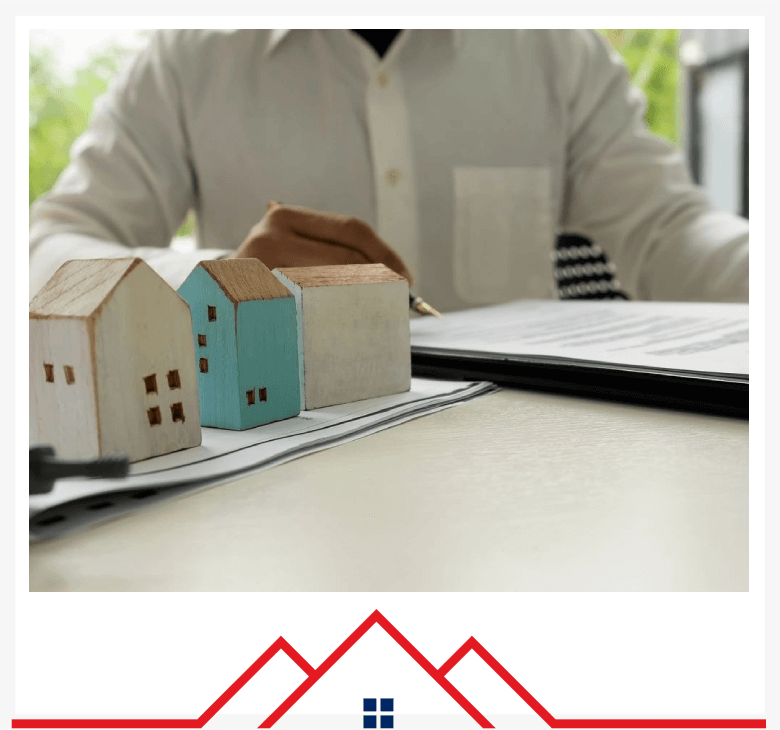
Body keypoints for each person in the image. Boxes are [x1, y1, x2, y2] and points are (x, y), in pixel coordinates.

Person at [28, 28, 749, 311]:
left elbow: (669, 233)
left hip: (519, 475)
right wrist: (210, 277)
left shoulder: (557, 48)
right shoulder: (188, 58)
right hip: (275, 472)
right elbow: (44, 250)